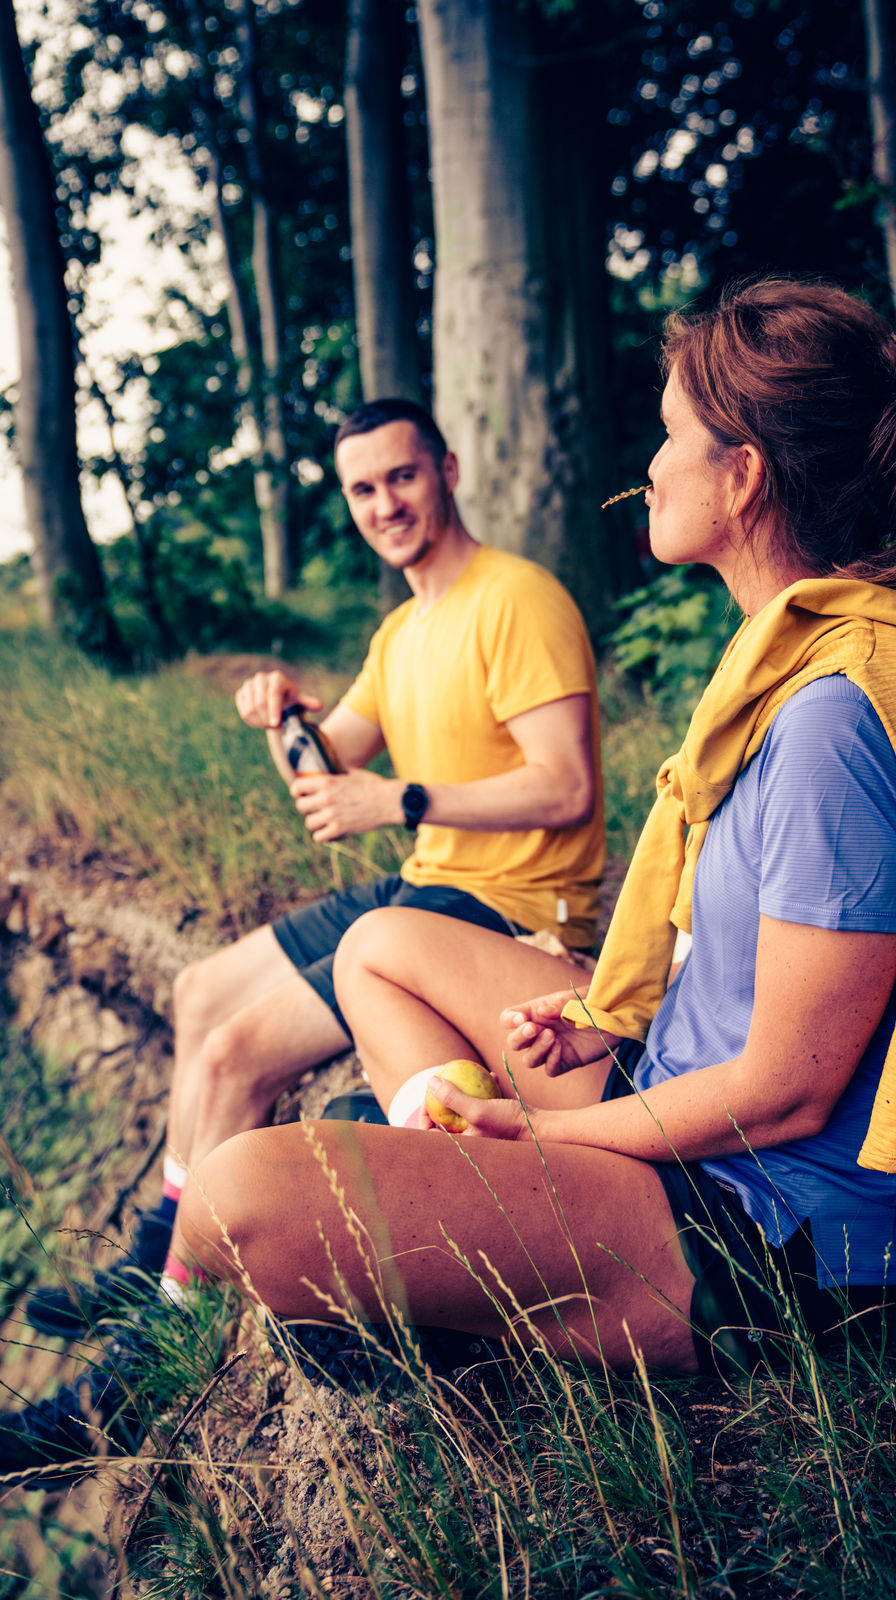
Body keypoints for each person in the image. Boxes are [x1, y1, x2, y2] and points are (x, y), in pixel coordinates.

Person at [4, 279, 896, 1479]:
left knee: (245, 1190)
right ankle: (449, 1234)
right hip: (687, 1092)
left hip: (760, 1227)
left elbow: (784, 1095)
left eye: (669, 437)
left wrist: (527, 1135)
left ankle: (140, 1387)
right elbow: (770, 975)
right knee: (377, 948)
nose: (650, 465)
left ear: (745, 477)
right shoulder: (791, 665)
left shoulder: (832, 716)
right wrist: (602, 1011)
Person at [24, 396, 604, 1339]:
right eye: (363, 489)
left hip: (500, 907)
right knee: (202, 992)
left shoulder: (515, 599)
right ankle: (146, 1261)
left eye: (402, 477)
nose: (385, 505)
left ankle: (161, 1334)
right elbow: (324, 769)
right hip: (427, 881)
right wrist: (282, 714)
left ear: (447, 471)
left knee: (232, 1055)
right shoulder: (402, 633)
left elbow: (567, 787)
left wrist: (401, 799)